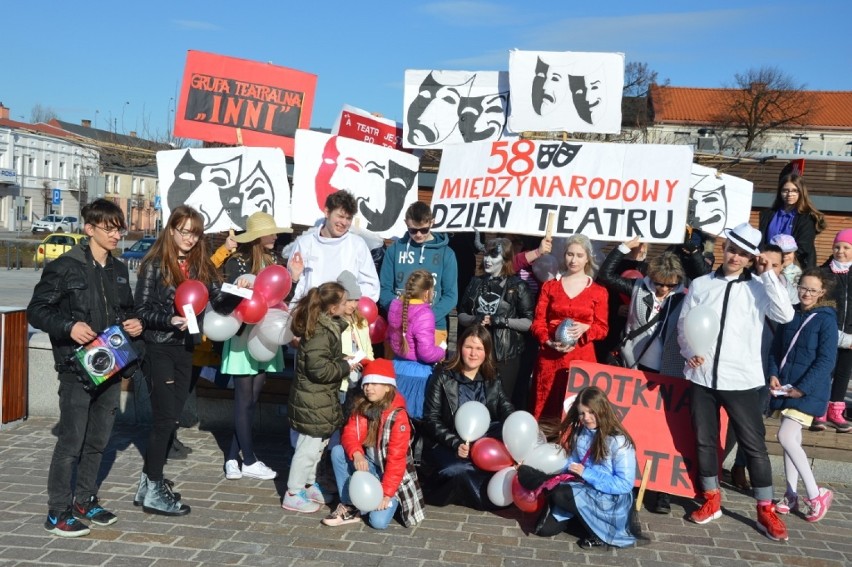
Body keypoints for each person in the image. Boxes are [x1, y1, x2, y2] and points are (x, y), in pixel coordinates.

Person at [28, 199, 143, 537]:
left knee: (98, 439)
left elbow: (123, 311)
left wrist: (131, 324)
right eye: (109, 227)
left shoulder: (119, 269)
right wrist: (69, 327)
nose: (116, 234)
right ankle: (57, 511)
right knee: (71, 440)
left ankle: (85, 500)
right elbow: (37, 311)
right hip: (76, 367)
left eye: (119, 227)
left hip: (111, 364)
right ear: (89, 228)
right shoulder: (65, 266)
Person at [678, 222, 795, 541]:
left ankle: (764, 508)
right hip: (702, 376)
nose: (734, 256)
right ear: (725, 248)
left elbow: (785, 315)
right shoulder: (701, 283)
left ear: (750, 258)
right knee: (704, 439)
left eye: (743, 253)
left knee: (753, 444)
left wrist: (769, 272)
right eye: (731, 249)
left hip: (741, 379)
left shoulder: (759, 287)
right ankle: (711, 498)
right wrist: (690, 351)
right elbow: (684, 322)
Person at [134, 205, 238, 516]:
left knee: (172, 416)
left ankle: (148, 481)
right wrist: (170, 320)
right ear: (171, 230)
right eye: (184, 231)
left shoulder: (199, 264)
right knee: (165, 418)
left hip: (186, 346)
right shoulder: (155, 263)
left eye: (195, 233)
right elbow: (141, 310)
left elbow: (218, 298)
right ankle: (153, 487)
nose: (190, 238)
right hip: (160, 346)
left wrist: (241, 293)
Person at [222, 212, 301, 481]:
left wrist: (295, 277)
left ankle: (233, 457)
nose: (276, 236)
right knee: (243, 399)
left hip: (266, 337)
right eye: (272, 232)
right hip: (243, 336)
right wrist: (239, 289)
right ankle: (250, 460)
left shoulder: (274, 261)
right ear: (258, 237)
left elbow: (279, 296)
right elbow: (227, 300)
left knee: (252, 399)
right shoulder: (236, 262)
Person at [518, 386, 639, 548]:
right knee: (544, 530)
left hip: (610, 499)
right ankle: (579, 517)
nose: (586, 418)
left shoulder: (619, 441)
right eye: (582, 413)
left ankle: (600, 531)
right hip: (583, 489)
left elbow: (625, 484)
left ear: (602, 410)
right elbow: (572, 463)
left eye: (591, 412)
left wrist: (587, 474)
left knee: (559, 493)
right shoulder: (580, 432)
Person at [284, 282, 362, 513]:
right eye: (345, 301)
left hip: (319, 398)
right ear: (332, 308)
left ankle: (307, 484)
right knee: (307, 447)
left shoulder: (328, 327)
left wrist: (343, 359)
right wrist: (345, 367)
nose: (349, 305)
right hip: (312, 400)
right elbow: (318, 369)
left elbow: (323, 359)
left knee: (317, 445)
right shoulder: (320, 330)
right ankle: (292, 491)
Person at [769, 268, 837, 522]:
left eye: (812, 289)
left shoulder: (826, 319)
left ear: (822, 292)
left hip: (808, 391)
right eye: (803, 287)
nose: (806, 293)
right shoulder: (790, 313)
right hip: (786, 387)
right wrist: (773, 374)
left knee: (784, 435)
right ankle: (790, 494)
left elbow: (826, 360)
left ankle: (816, 493)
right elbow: (776, 350)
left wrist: (803, 388)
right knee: (791, 442)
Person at [421, 325, 515, 509]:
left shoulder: (492, 377)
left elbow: (506, 409)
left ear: (486, 352)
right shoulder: (443, 376)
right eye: (469, 347)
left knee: (502, 464)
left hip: (483, 444)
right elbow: (430, 418)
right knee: (458, 471)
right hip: (448, 443)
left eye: (479, 348)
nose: (473, 354)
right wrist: (455, 442)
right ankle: (479, 498)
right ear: (460, 348)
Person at [325, 359, 426, 529]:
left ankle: (392, 500)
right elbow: (350, 433)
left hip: (390, 476)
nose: (368, 388)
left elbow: (397, 459)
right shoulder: (361, 406)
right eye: (366, 383)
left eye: (374, 383)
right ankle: (349, 505)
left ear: (388, 387)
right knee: (338, 452)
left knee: (377, 522)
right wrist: (357, 453)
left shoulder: (398, 416)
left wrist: (386, 494)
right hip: (370, 466)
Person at [530, 234, 608, 420]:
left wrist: (586, 328)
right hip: (550, 357)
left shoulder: (599, 291)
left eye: (579, 255)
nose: (573, 260)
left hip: (581, 358)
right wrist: (548, 341)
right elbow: (538, 323)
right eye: (570, 254)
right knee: (545, 408)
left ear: (588, 257)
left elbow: (603, 329)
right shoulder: (550, 287)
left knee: (577, 408)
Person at [458, 238, 535, 400]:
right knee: (472, 398)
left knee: (501, 401)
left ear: (505, 259)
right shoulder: (475, 282)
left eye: (493, 256)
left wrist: (501, 321)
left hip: (505, 354)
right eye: (485, 255)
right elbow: (461, 315)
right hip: (476, 351)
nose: (487, 260)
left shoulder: (518, 286)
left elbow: (529, 322)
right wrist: (475, 319)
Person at [379, 201, 458, 345]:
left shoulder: (447, 253)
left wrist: (425, 318)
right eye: (413, 230)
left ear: (432, 222)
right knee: (395, 368)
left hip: (433, 326)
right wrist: (400, 315)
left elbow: (451, 295)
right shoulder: (394, 250)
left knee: (429, 367)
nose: (419, 235)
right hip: (399, 326)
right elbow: (384, 289)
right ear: (406, 223)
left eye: (424, 229)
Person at [290, 190, 380, 305]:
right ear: (327, 212)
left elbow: (371, 286)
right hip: (310, 312)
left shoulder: (357, 245)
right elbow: (295, 285)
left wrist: (348, 302)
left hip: (343, 316)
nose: (344, 222)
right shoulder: (305, 243)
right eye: (340, 216)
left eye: (348, 218)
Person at [387, 269, 447, 418]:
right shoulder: (424, 314)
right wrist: (441, 351)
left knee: (393, 416)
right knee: (413, 417)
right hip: (417, 375)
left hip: (396, 368)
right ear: (426, 292)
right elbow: (426, 353)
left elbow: (389, 337)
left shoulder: (395, 306)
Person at [818, 228, 852, 432]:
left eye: (846, 247)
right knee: (825, 370)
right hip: (830, 330)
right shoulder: (825, 272)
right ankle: (819, 408)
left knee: (843, 373)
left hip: (850, 333)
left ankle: (835, 410)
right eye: (837, 247)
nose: (841, 251)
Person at [758, 173, 826, 270]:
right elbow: (761, 242)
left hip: (794, 268)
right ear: (780, 192)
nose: (790, 194)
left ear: (801, 192)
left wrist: (780, 261)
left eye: (795, 191)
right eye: (785, 190)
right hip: (767, 265)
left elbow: (803, 247)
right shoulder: (767, 214)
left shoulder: (807, 217)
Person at [336, 270, 374, 404]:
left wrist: (369, 366)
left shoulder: (361, 322)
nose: (353, 304)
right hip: (341, 382)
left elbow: (369, 351)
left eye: (356, 300)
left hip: (360, 380)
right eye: (349, 300)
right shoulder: (334, 324)